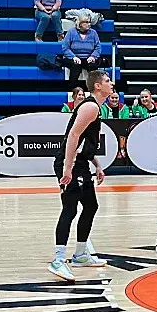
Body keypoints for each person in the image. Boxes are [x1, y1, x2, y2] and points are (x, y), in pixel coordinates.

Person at [47, 71, 113, 282]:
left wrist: (97, 164)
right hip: (71, 164)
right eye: (107, 81)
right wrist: (68, 168)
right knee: (70, 208)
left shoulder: (97, 108)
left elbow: (84, 141)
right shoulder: (90, 106)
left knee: (91, 206)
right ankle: (58, 260)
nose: (111, 83)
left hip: (81, 163)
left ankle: (81, 255)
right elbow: (73, 136)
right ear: (97, 86)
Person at [58, 14, 102, 90]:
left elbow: (98, 47)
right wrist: (73, 57)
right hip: (73, 57)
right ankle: (72, 89)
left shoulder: (93, 33)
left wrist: (93, 56)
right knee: (75, 66)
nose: (89, 24)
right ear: (80, 23)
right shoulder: (71, 32)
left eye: (89, 22)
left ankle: (94, 88)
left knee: (93, 66)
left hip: (88, 57)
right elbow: (65, 48)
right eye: (86, 22)